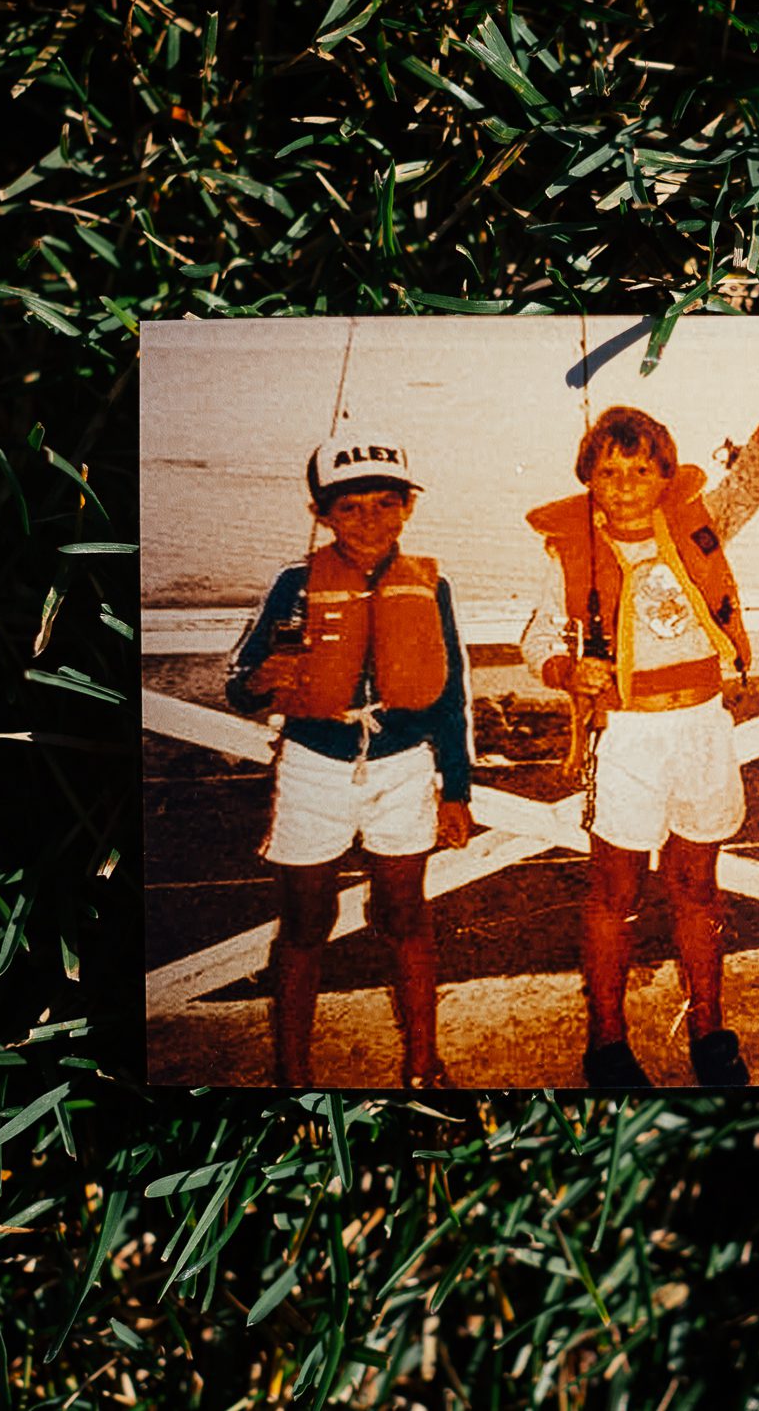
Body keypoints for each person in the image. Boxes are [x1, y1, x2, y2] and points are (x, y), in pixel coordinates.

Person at [521, 365, 759, 1088]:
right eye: (610, 471)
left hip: (704, 729)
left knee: (698, 887)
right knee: (614, 892)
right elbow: (535, 639)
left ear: (664, 476)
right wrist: (565, 671)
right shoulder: (569, 552)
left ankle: (709, 1029)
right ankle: (607, 1041)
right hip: (626, 740)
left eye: (641, 470)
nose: (625, 485)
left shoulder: (696, 523)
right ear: (590, 477)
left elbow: (751, 483)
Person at [226, 429, 474, 1088]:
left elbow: (452, 697)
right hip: (313, 767)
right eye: (350, 507)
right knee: (307, 920)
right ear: (321, 515)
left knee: (405, 915)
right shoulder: (293, 585)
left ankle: (424, 1064)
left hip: (403, 769)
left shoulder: (431, 584)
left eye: (386, 503)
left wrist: (458, 789)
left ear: (408, 508)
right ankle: (293, 1074)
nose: (370, 520)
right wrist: (261, 679)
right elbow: (238, 684)